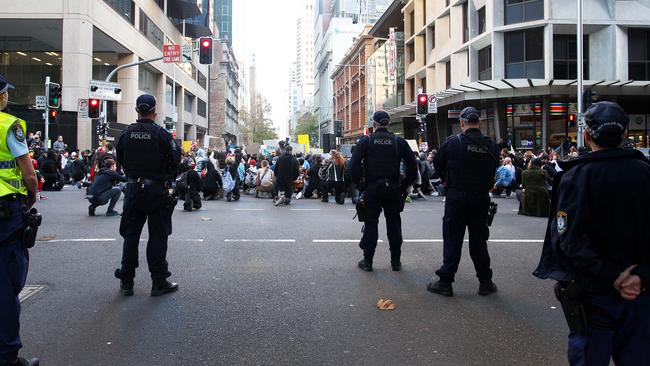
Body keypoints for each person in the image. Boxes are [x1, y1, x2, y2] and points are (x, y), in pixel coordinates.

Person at [534, 101, 650, 366]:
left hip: (593, 290)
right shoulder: (645, 173)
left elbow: (568, 239)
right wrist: (638, 276)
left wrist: (613, 276)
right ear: (625, 134)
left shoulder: (577, 177)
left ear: (586, 135)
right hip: (640, 290)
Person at [428, 106, 499, 297]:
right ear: (479, 123)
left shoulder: (453, 142)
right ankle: (485, 282)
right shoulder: (491, 145)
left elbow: (437, 164)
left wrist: (448, 181)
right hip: (480, 197)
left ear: (461, 123)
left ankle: (445, 282)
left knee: (453, 239)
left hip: (457, 197)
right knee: (479, 241)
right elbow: (494, 168)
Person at [114, 94, 181, 297]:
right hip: (156, 191)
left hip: (133, 189)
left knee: (130, 236)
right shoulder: (162, 134)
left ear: (137, 110)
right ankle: (159, 281)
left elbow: (120, 158)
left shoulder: (126, 133)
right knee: (158, 236)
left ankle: (127, 281)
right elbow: (176, 159)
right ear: (155, 111)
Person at [0, 74, 40, 366]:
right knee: (7, 281)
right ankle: (8, 354)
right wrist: (32, 193)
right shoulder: (8, 125)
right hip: (5, 212)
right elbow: (27, 171)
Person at [348, 111, 417, 272]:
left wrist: (360, 185)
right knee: (394, 224)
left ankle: (368, 261)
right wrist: (403, 185)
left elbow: (353, 167)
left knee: (371, 223)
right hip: (393, 188)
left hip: (372, 188)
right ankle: (395, 261)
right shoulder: (398, 141)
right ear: (388, 124)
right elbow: (413, 167)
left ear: (374, 124)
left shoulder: (366, 141)